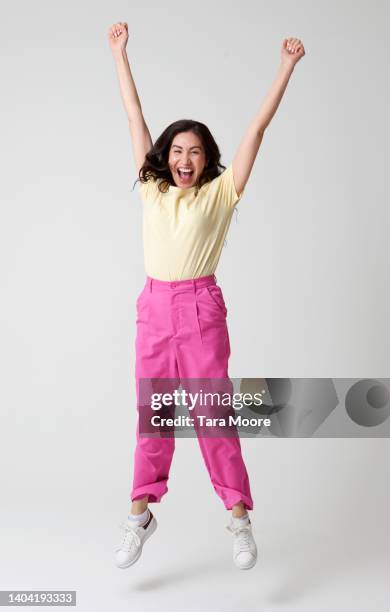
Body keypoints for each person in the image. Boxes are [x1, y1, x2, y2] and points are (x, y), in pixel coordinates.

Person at [108, 21, 305, 571]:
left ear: (207, 158)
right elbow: (133, 116)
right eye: (177, 150)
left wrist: (285, 67)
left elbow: (257, 131)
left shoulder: (222, 193)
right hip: (153, 309)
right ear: (165, 158)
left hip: (199, 308)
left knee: (213, 418)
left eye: (195, 151)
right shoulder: (152, 190)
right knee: (155, 416)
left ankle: (240, 522)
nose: (185, 159)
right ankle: (140, 515)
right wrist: (120, 54)